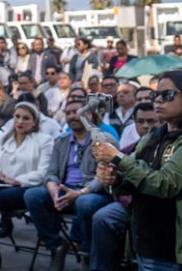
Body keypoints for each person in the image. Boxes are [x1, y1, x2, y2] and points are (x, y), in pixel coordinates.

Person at [94, 71, 182, 270]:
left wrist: (117, 158)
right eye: (156, 95)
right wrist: (113, 180)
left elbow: (164, 184)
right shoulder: (152, 137)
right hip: (147, 245)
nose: (158, 101)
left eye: (168, 95)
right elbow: (132, 182)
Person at [23, 99, 116, 271]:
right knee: (32, 195)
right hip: (65, 190)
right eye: (69, 112)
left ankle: (87, 254)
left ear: (89, 115)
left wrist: (80, 193)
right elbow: (51, 173)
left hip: (93, 193)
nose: (73, 116)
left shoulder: (104, 140)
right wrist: (53, 190)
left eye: (78, 112)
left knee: (85, 203)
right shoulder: (62, 141)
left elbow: (104, 177)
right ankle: (56, 245)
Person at [0, 103, 54, 271]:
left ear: (34, 122)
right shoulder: (4, 138)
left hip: (25, 189)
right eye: (17, 116)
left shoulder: (44, 141)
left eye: (26, 118)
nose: (20, 121)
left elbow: (43, 173)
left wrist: (15, 180)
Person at [89, 101, 160, 271]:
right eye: (140, 121)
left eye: (151, 121)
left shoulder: (165, 143)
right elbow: (116, 180)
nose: (145, 126)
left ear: (161, 121)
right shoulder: (131, 147)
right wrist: (110, 176)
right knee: (102, 217)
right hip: (126, 203)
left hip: (154, 205)